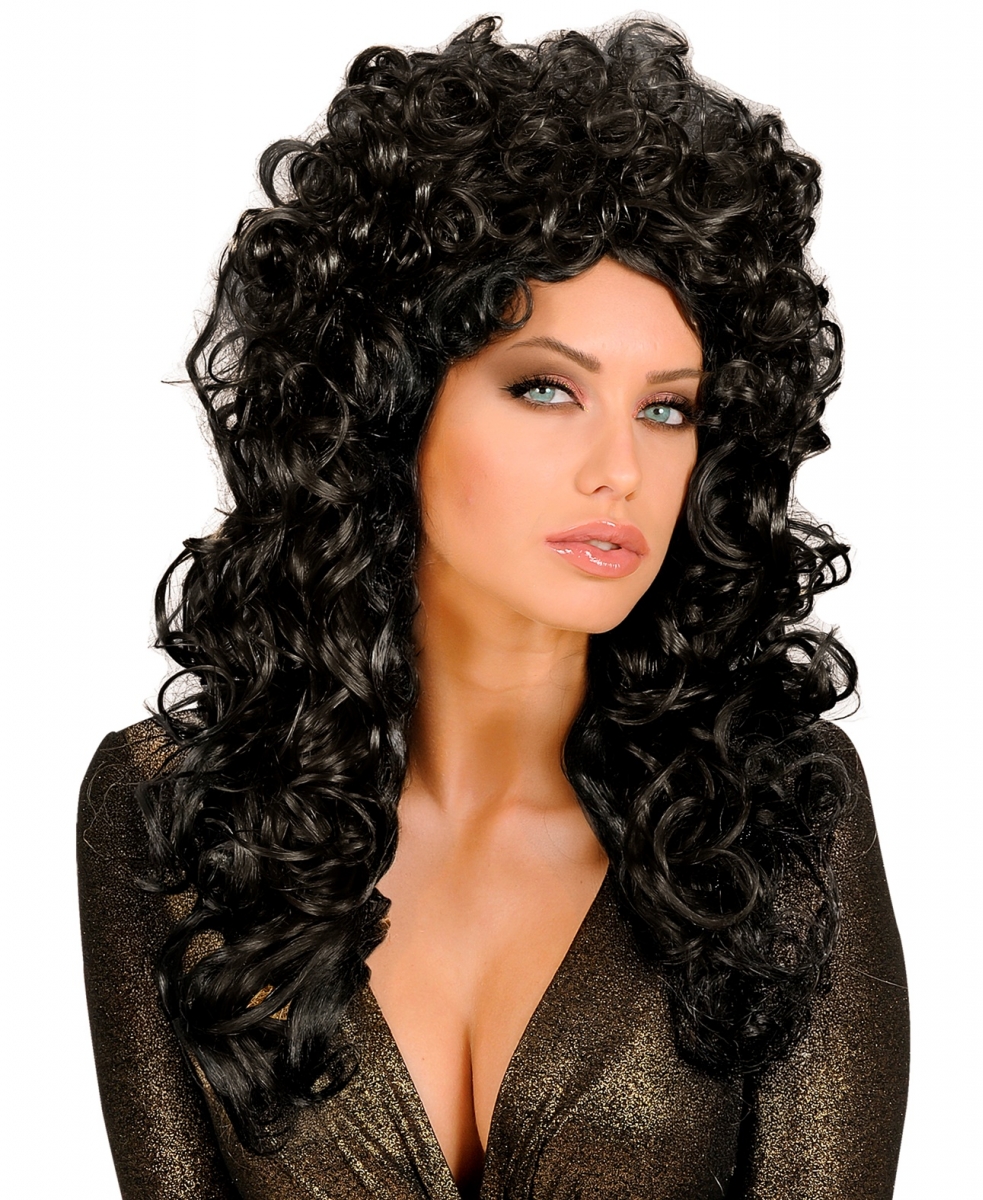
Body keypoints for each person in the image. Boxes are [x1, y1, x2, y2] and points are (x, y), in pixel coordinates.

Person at [77, 16, 908, 1199]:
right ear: (390, 402)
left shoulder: (772, 808)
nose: (617, 469)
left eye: (666, 409)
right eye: (545, 389)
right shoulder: (174, 812)